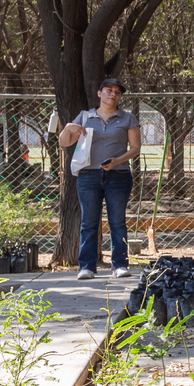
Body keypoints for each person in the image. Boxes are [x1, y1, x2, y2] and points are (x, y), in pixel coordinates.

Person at [60, 78, 143, 279]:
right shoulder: (85, 117)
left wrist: (117, 161)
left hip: (118, 175)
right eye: (108, 90)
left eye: (117, 92)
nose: (113, 94)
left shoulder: (127, 118)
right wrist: (69, 127)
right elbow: (64, 142)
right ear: (99, 93)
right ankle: (86, 267)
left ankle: (120, 265)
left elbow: (135, 148)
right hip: (88, 175)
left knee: (117, 221)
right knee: (89, 222)